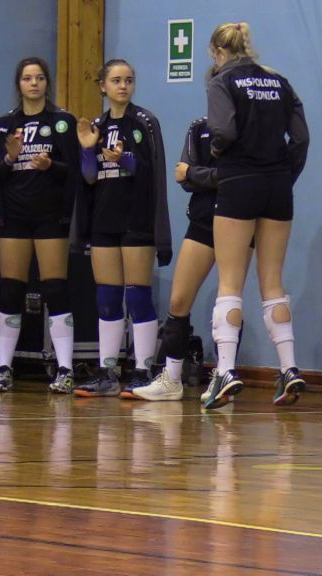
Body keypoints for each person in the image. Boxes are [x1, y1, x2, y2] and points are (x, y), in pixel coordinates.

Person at [200, 22, 310, 410]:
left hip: (239, 182)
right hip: (278, 186)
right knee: (273, 282)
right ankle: (289, 368)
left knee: (230, 282)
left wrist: (218, 152)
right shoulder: (279, 81)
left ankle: (226, 371)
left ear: (217, 52)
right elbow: (301, 138)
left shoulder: (221, 81)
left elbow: (224, 131)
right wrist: (284, 176)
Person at [127, 116, 253, 401]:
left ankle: (223, 374)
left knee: (228, 297)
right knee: (179, 300)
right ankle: (171, 378)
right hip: (202, 220)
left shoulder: (248, 127)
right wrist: (202, 176)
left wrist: (197, 174)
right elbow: (182, 176)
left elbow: (237, 176)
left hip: (239, 218)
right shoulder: (198, 127)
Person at [0, 57, 81, 394]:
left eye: (39, 78)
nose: (33, 84)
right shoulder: (4, 125)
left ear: (47, 82)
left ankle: (64, 369)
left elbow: (75, 171)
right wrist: (10, 158)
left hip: (51, 217)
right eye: (27, 78)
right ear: (18, 84)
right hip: (15, 217)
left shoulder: (62, 122)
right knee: (10, 290)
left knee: (55, 289)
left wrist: (51, 165)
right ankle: (3, 368)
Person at [72, 58, 172, 398]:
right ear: (103, 86)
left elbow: (151, 171)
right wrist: (88, 151)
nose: (123, 86)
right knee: (107, 295)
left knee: (137, 294)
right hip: (104, 219)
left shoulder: (144, 121)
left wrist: (124, 159)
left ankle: (143, 369)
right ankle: (107, 371)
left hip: (136, 219)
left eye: (129, 80)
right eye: (116, 80)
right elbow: (89, 177)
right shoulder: (96, 125)